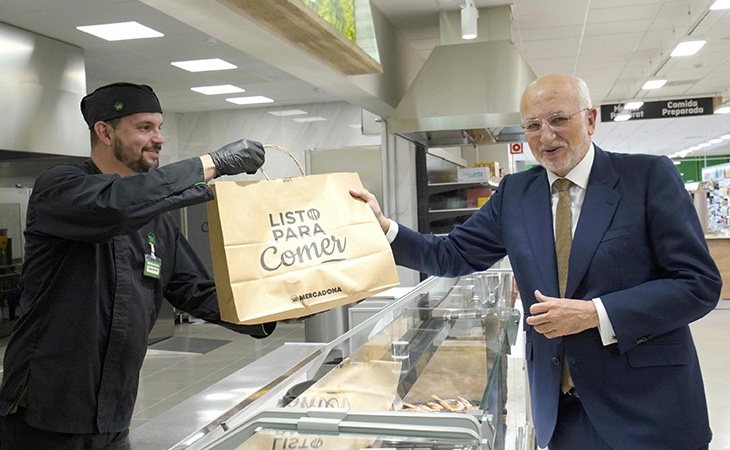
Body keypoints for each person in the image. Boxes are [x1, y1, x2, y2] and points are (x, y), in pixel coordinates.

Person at [351, 73, 720, 450]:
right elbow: (451, 255)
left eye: (559, 119)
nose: (546, 137)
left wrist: (596, 313)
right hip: (562, 414)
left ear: (590, 120)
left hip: (649, 410)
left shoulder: (646, 177)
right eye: (532, 125)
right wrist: (386, 230)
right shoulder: (515, 194)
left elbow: (698, 284)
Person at [0, 82, 276, 449]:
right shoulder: (61, 187)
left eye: (160, 127)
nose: (158, 138)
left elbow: (196, 291)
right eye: (144, 127)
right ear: (104, 130)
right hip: (44, 413)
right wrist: (212, 163)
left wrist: (281, 302)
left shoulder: (156, 219)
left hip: (114, 412)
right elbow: (113, 208)